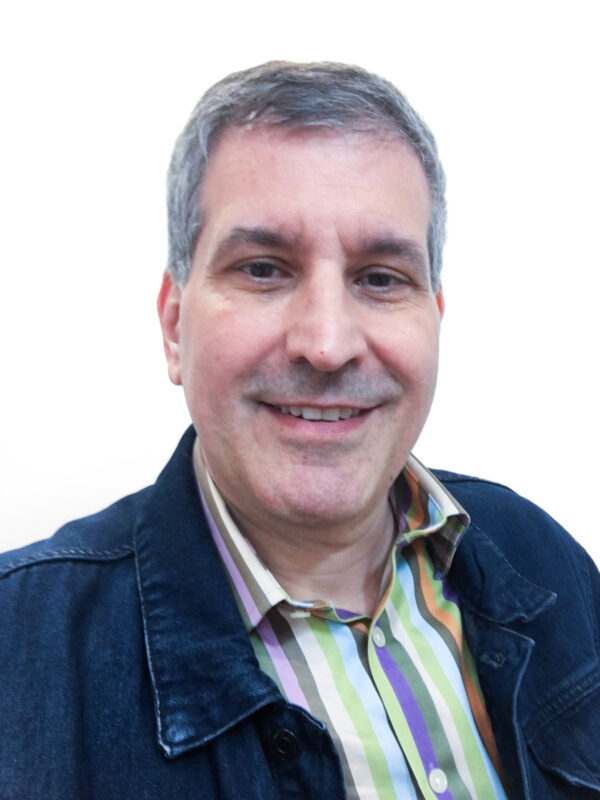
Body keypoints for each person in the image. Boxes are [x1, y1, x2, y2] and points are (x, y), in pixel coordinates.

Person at [0, 61, 598, 800]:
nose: (327, 343)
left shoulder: (542, 556)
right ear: (174, 326)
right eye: (263, 270)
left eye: (380, 278)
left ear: (434, 318)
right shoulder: (21, 650)